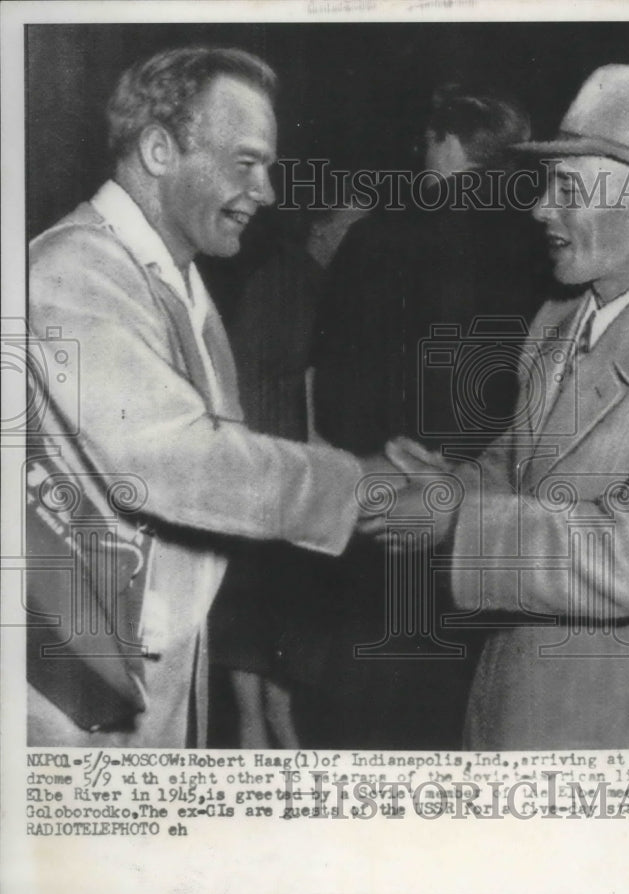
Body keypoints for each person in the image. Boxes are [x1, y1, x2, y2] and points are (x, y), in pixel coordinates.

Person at [360, 65, 629, 749]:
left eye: (567, 187)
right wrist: (444, 488)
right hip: (524, 709)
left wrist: (460, 523)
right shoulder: (559, 315)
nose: (540, 208)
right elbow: (517, 471)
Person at [25, 46, 391, 748]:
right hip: (70, 699)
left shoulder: (176, 281)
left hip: (146, 670)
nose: (268, 191)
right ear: (159, 149)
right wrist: (359, 486)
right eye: (246, 163)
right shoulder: (72, 271)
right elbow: (180, 461)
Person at [300, 83, 548, 748]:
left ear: (445, 142)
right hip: (492, 517)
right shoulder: (547, 245)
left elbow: (332, 393)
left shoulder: (378, 234)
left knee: (371, 714)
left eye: (427, 142)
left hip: (386, 502)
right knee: (463, 717)